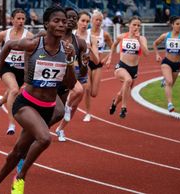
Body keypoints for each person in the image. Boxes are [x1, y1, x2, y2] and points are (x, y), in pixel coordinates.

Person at [0, 5, 77, 194]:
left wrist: (69, 62)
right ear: (46, 24)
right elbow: (9, 45)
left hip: (47, 107)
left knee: (17, 152)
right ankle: (20, 177)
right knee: (44, 139)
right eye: (56, 21)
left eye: (63, 21)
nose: (61, 24)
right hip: (25, 104)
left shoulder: (67, 50)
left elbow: (70, 82)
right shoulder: (35, 44)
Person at [55, 8, 99, 142]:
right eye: (82, 21)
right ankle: (64, 108)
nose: (84, 24)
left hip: (80, 72)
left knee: (78, 99)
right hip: (63, 72)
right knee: (60, 107)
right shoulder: (63, 33)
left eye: (87, 21)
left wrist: (88, 53)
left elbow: (96, 61)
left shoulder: (90, 39)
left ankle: (61, 129)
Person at [0, 8, 34, 135]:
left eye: (23, 19)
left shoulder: (29, 36)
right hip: (7, 66)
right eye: (18, 19)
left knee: (10, 92)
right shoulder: (4, 34)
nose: (21, 21)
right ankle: (11, 124)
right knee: (14, 90)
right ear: (12, 20)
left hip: (21, 69)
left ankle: (0, 102)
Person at [107, 16, 149, 118]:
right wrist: (109, 58)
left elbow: (146, 53)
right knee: (128, 80)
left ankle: (114, 104)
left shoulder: (142, 38)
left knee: (122, 93)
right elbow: (113, 45)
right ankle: (124, 108)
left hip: (133, 69)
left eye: (138, 25)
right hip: (121, 66)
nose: (136, 27)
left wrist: (138, 40)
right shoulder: (122, 36)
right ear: (129, 25)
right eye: (134, 25)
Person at [153, 16, 180, 112]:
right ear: (172, 25)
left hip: (177, 64)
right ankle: (170, 104)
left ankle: (164, 80)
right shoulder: (166, 36)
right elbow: (155, 43)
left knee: (171, 84)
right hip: (167, 62)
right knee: (169, 82)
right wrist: (157, 55)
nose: (179, 26)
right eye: (177, 24)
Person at [82, 9, 113, 122]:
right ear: (92, 20)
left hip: (98, 63)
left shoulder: (104, 34)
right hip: (87, 62)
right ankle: (88, 113)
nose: (98, 22)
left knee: (94, 93)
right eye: (96, 20)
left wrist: (107, 58)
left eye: (100, 20)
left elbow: (113, 47)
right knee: (87, 88)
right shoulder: (87, 33)